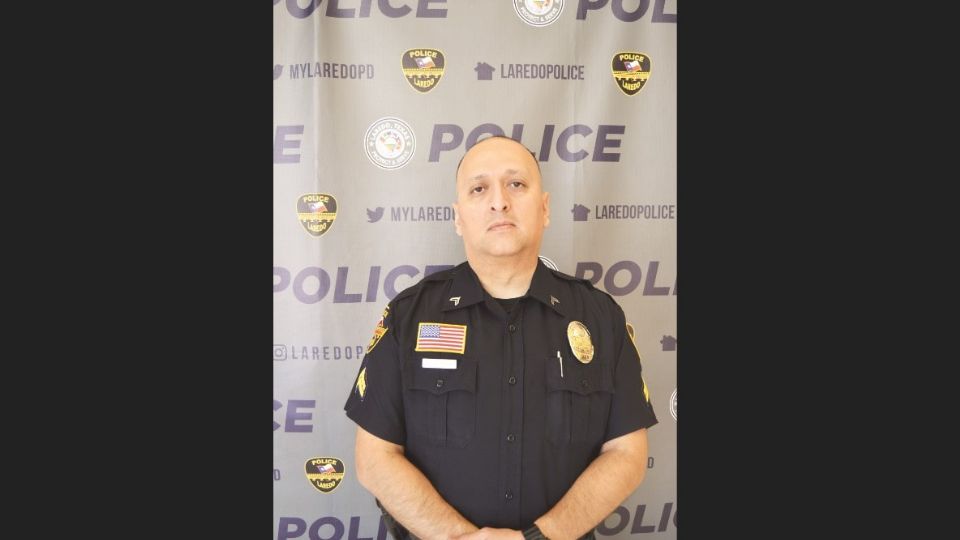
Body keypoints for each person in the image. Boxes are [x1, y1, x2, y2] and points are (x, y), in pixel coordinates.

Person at [343, 135, 658, 540]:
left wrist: (541, 536)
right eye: (479, 189)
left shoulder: (599, 317)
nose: (499, 202)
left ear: (544, 208)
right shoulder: (409, 316)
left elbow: (626, 454)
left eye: (516, 184)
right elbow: (375, 458)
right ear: (458, 217)